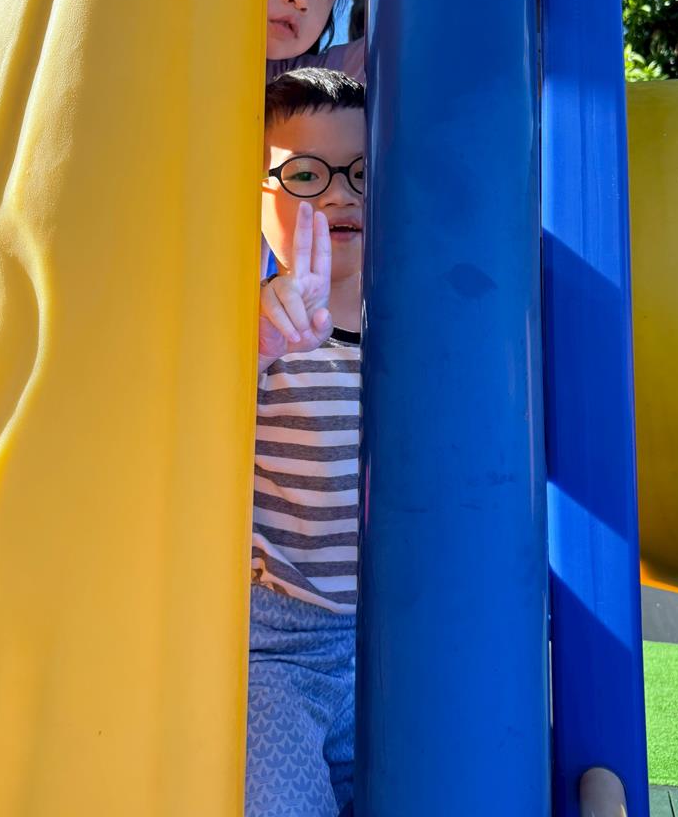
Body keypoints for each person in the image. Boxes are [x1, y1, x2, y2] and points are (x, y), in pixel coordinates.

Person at [247, 69, 364, 817]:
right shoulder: (262, 325)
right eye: (306, 175)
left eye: (361, 173)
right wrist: (261, 338)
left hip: (398, 636)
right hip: (280, 648)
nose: (340, 195)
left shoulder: (419, 324)